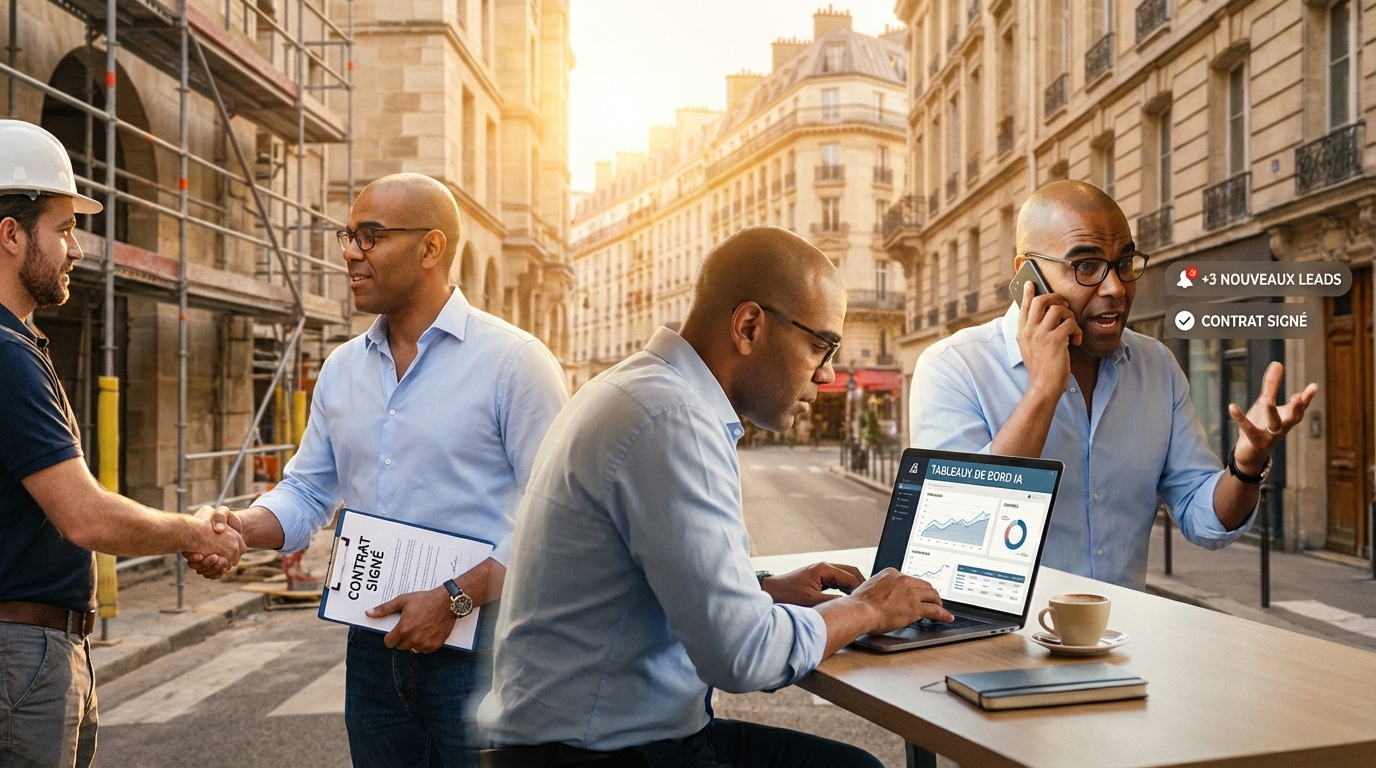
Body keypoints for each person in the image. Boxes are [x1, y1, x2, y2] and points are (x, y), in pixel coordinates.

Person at [478, 226, 952, 768]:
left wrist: (763, 590)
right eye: (820, 346)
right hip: (599, 753)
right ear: (749, 326)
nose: (827, 374)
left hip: (584, 737)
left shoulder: (635, 389)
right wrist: (866, 608)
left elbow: (646, 571)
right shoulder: (672, 418)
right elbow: (745, 655)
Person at [190, 173, 568, 767]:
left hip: (484, 648)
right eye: (348, 236)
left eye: (370, 237)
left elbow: (561, 519)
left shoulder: (515, 364)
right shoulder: (342, 370)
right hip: (371, 648)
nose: (349, 253)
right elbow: (309, 490)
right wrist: (240, 526)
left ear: (431, 248)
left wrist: (456, 598)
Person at [909, 180, 1318, 589]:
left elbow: (1203, 519)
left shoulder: (1156, 366)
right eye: (1086, 266)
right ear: (1027, 274)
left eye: (1124, 263)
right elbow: (957, 537)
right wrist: (1043, 391)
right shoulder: (953, 368)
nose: (1116, 288)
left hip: (1117, 643)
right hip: (996, 646)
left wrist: (1245, 465)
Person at [0, 119, 246, 768]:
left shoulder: (16, 345)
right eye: (62, 228)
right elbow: (83, 515)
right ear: (10, 234)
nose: (78, 249)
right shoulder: (5, 356)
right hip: (19, 651)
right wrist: (197, 533)